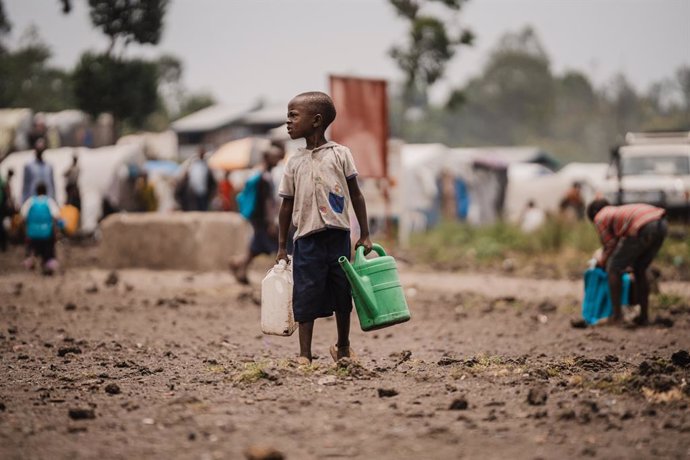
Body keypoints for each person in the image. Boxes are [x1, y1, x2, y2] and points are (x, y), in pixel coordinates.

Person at [276, 91, 372, 365]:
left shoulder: (340, 154)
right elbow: (286, 206)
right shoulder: (293, 161)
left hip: (338, 237)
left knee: (342, 292)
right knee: (305, 293)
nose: (288, 122)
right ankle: (304, 354)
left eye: (294, 116)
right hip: (306, 239)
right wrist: (282, 246)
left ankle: (343, 347)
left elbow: (356, 195)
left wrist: (364, 233)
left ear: (316, 120)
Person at [586, 199, 667, 326]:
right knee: (640, 268)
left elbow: (610, 245)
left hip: (644, 226)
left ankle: (617, 317)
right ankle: (644, 317)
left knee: (613, 268)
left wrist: (602, 261)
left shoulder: (600, 216)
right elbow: (622, 246)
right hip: (661, 224)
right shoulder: (617, 213)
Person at [230, 146, 284, 284]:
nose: (278, 160)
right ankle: (239, 265)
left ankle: (238, 265)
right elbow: (267, 202)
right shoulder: (264, 178)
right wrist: (271, 222)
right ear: (267, 158)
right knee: (272, 245)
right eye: (275, 157)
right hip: (262, 219)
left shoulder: (260, 174)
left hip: (257, 218)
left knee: (257, 246)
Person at [20, 182, 61, 275]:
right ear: (46, 191)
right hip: (46, 233)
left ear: (36, 191)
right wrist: (56, 231)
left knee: (32, 246)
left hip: (32, 233)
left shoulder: (30, 201)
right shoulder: (49, 201)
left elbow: (22, 216)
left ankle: (31, 258)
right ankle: (48, 261)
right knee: (49, 247)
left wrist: (26, 230)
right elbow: (56, 216)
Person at [22, 138, 56, 204]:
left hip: (47, 202)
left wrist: (54, 200)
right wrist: (24, 202)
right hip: (33, 202)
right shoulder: (29, 166)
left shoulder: (48, 166)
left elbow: (52, 185)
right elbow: (25, 186)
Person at [186, 145, 216, 211]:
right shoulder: (195, 164)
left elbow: (210, 178)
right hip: (195, 190)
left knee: (203, 207)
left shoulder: (207, 164)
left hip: (204, 191)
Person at [0, 169, 15, 251]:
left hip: (3, 204)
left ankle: (4, 244)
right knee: (3, 224)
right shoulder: (4, 180)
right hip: (2, 204)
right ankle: (4, 244)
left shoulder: (4, 180)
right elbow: (7, 191)